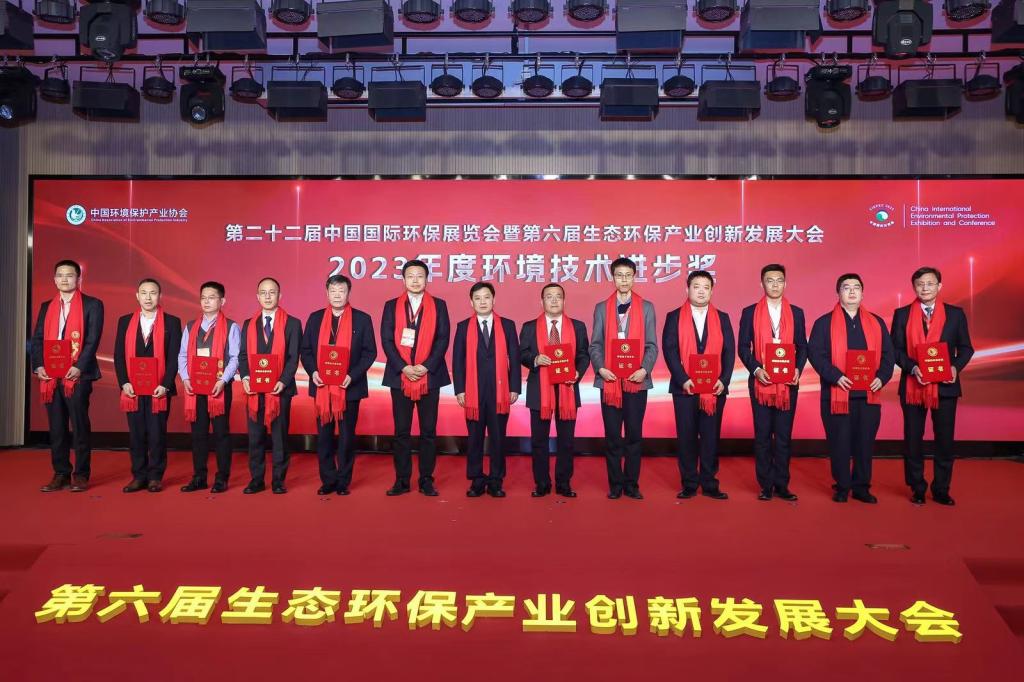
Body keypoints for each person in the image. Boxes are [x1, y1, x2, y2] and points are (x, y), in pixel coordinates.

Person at [890, 266, 974, 506]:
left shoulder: (955, 314)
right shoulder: (902, 314)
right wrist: (912, 367)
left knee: (945, 440)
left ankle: (941, 489)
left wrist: (955, 367)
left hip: (945, 387)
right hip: (913, 386)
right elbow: (895, 349)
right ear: (914, 287)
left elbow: (966, 348)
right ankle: (917, 487)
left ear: (939, 286)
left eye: (929, 283)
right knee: (912, 440)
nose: (924, 288)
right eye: (920, 284)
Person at [808, 273, 895, 504]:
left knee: (865, 444)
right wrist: (835, 376)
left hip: (868, 396)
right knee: (839, 443)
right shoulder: (823, 323)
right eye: (846, 287)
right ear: (838, 293)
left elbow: (889, 355)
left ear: (863, 293)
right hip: (836, 395)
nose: (852, 291)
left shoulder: (877, 323)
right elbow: (815, 354)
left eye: (857, 287)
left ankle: (861, 487)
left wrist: (882, 378)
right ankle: (842, 486)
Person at [31, 259, 105, 493]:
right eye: (60, 275)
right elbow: (38, 339)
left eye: (69, 275)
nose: (65, 279)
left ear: (78, 279)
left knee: (79, 425)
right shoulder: (47, 306)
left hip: (78, 376)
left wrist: (79, 366)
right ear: (55, 280)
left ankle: (81, 474)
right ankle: (61, 472)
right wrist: (39, 366)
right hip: (51, 376)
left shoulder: (93, 304)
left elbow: (92, 340)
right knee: (56, 426)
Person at [300, 274, 377, 496]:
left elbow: (370, 352)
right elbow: (306, 351)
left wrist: (352, 375)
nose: (337, 295)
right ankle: (328, 479)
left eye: (341, 291)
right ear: (327, 293)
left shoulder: (362, 319)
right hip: (322, 387)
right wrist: (313, 372)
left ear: (348, 293)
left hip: (349, 388)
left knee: (346, 437)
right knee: (324, 436)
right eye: (333, 291)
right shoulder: (315, 319)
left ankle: (343, 480)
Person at [380, 259, 451, 497]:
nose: (415, 280)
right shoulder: (391, 305)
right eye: (410, 276)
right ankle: (401, 480)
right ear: (403, 280)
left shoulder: (439, 305)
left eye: (420, 276)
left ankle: (426, 480)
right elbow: (386, 340)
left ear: (427, 279)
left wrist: (425, 366)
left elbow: (443, 338)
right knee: (401, 432)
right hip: (399, 377)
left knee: (428, 432)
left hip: (429, 377)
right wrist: (403, 367)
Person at [588, 257, 658, 500]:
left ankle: (632, 484)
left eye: (628, 275)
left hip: (637, 382)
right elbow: (595, 345)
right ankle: (615, 485)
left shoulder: (647, 307)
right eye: (619, 275)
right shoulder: (601, 308)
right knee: (612, 437)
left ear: (634, 277)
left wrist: (644, 370)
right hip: (609, 382)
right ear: (613, 278)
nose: (624, 279)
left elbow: (652, 345)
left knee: (634, 436)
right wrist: (600, 368)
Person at [663, 270, 736, 500]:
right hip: (684, 388)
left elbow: (729, 352)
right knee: (686, 437)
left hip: (714, 389)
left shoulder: (722, 318)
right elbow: (670, 350)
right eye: (696, 286)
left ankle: (710, 483)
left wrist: (723, 380)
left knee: (710, 437)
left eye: (706, 287)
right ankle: (689, 483)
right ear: (687, 289)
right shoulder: (674, 316)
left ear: (712, 291)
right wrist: (683, 378)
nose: (701, 291)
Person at [737, 264, 807, 501]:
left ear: (785, 284)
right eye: (770, 280)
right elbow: (743, 347)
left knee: (784, 437)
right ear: (762, 284)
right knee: (763, 436)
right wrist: (756, 369)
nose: (775, 285)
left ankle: (782, 485)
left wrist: (797, 369)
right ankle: (766, 485)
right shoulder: (749, 312)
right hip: (761, 383)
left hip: (788, 384)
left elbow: (803, 346)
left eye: (779, 280)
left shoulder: (797, 313)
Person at [519, 283, 590, 498]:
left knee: (566, 441)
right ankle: (542, 483)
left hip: (567, 388)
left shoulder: (577, 326)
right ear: (541, 302)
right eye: (549, 296)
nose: (554, 300)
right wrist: (535, 359)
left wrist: (577, 372)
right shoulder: (529, 327)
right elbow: (521, 354)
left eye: (558, 296)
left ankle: (563, 482)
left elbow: (583, 355)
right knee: (539, 440)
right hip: (539, 391)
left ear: (564, 301)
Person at [113, 278, 182, 493]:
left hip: (159, 390)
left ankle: (155, 477)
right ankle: (139, 476)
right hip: (132, 389)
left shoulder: (172, 322)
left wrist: (166, 385)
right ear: (137, 296)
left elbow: (174, 358)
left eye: (153, 293)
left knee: (156, 435)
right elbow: (118, 355)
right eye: (144, 293)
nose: (148, 297)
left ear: (160, 296)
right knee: (136, 435)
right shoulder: (125, 321)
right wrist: (124, 382)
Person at [452, 283, 521, 497]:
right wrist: (460, 389)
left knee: (498, 437)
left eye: (487, 297)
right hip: (473, 391)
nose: (483, 302)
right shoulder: (463, 327)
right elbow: (457, 361)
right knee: (474, 437)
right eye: (478, 298)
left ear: (494, 300)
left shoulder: (507, 325)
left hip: (500, 391)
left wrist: (515, 387)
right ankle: (476, 480)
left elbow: (515, 358)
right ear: (471, 302)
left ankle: (496, 481)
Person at [238, 277, 302, 495]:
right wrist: (245, 378)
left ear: (279, 296)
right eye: (263, 293)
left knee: (279, 438)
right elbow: (243, 356)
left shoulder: (292, 323)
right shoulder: (249, 324)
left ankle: (278, 480)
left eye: (272, 292)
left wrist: (282, 381)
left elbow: (293, 357)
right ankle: (256, 479)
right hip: (254, 391)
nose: (267, 296)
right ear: (257, 297)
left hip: (280, 391)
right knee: (255, 437)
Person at [178, 281, 241, 494]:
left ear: (222, 301)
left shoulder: (231, 327)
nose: (207, 301)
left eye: (212, 297)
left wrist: (223, 380)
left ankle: (222, 478)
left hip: (219, 388)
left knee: (221, 433)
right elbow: (182, 355)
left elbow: (235, 358)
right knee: (198, 434)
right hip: (195, 388)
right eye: (203, 297)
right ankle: (199, 477)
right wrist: (185, 378)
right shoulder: (190, 327)